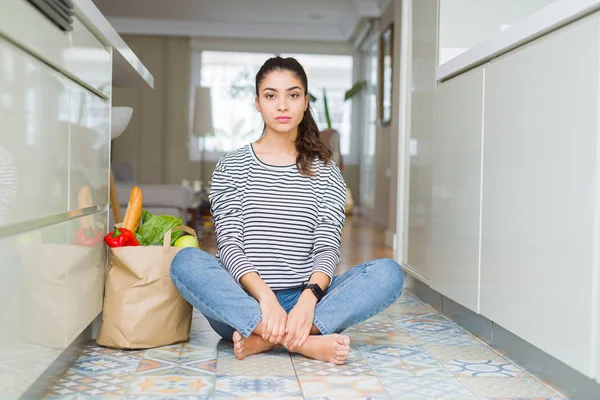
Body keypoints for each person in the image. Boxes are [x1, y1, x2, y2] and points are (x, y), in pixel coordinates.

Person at [170, 56, 404, 365]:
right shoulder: (232, 166)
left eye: (292, 95)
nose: (282, 105)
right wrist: (266, 300)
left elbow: (326, 247)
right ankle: (304, 342)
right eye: (271, 95)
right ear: (257, 103)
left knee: (389, 274)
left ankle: (266, 339)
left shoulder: (326, 172)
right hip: (245, 301)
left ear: (305, 102)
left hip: (305, 300)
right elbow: (229, 245)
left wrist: (307, 301)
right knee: (185, 262)